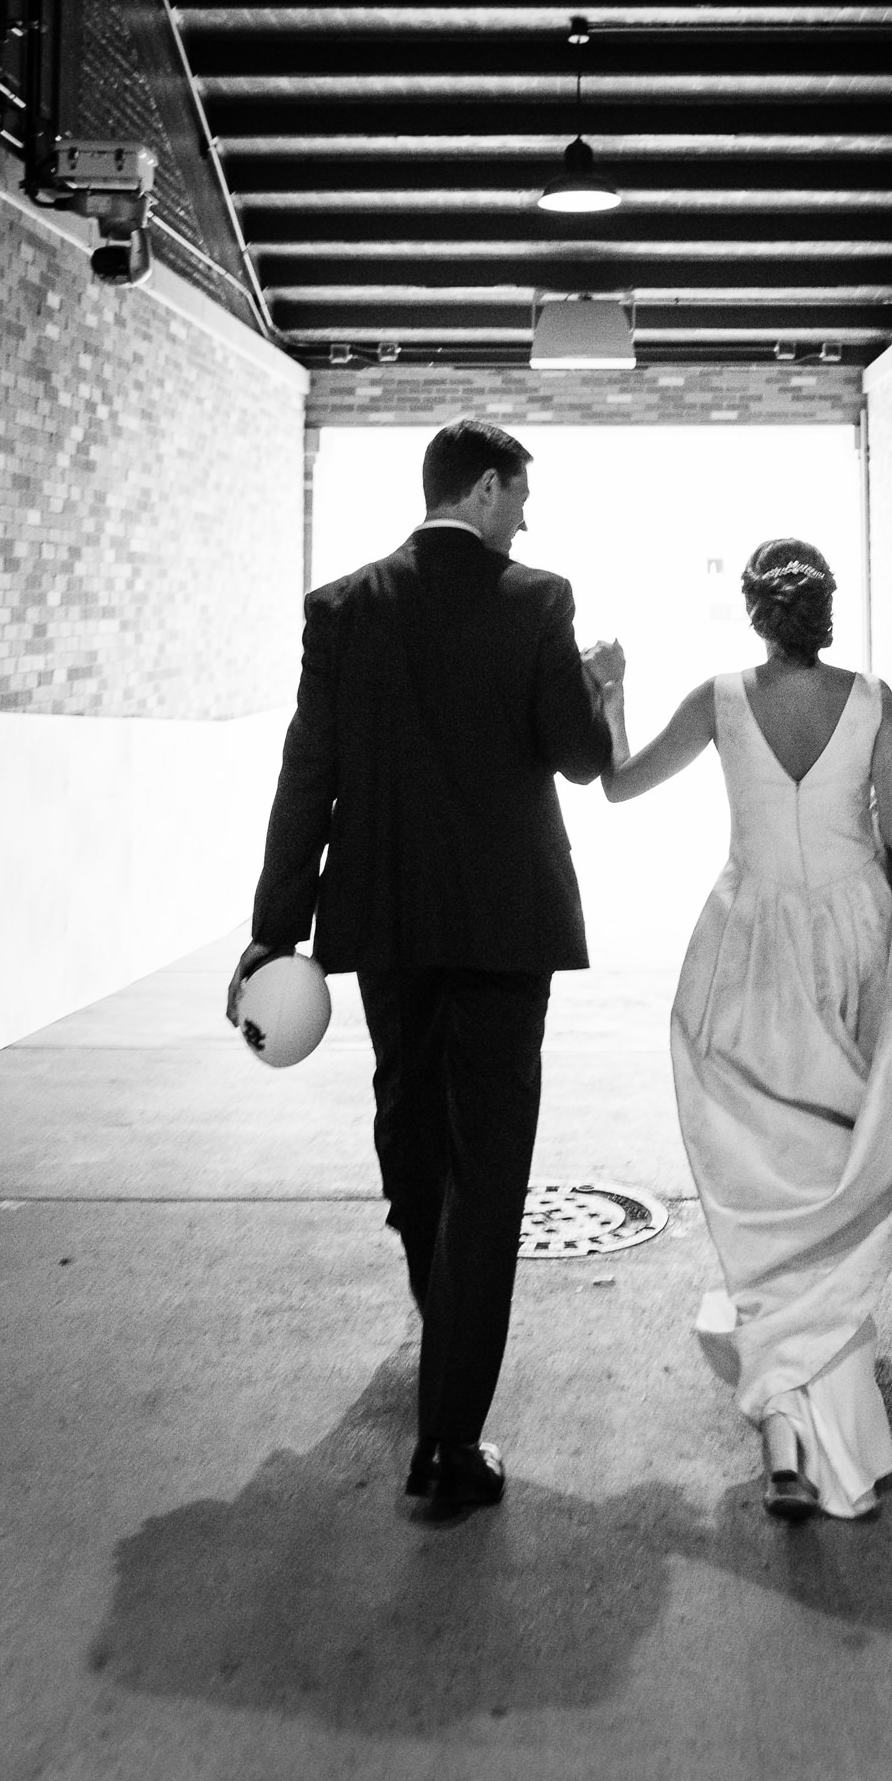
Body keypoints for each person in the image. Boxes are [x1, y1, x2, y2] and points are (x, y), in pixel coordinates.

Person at [229, 418, 620, 1518]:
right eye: (520, 496)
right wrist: (594, 685)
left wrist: (272, 929)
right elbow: (580, 758)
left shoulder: (343, 607)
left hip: (386, 920)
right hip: (504, 928)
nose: (526, 519)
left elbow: (307, 774)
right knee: (486, 1167)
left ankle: (436, 1311)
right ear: (486, 488)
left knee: (408, 1122)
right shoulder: (538, 599)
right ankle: (447, 1438)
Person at [594, 536, 892, 1522]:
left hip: (749, 946)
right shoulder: (870, 699)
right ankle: (806, 1418)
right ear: (825, 613)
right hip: (849, 943)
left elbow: (618, 781)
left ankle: (783, 1428)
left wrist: (610, 693)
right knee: (831, 1182)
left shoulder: (718, 697)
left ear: (756, 613)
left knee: (765, 1179)